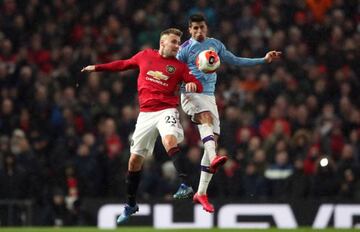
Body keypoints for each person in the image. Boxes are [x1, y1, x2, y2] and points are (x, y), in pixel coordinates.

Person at [81, 28, 203, 224]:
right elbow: (122, 64)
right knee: (134, 162)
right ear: (162, 42)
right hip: (145, 115)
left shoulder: (179, 67)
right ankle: (130, 205)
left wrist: (192, 85)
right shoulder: (145, 55)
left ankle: (185, 184)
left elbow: (196, 83)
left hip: (166, 111)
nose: (177, 46)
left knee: (169, 140)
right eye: (173, 41)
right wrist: (97, 67)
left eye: (178, 43)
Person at [177, 14, 281, 213]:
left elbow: (235, 60)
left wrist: (264, 59)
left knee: (211, 140)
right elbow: (174, 72)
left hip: (208, 97)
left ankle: (201, 193)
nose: (199, 31)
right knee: (207, 126)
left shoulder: (215, 44)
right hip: (190, 94)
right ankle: (215, 156)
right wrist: (182, 85)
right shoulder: (184, 50)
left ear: (206, 28)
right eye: (195, 28)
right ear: (190, 30)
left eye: (202, 27)